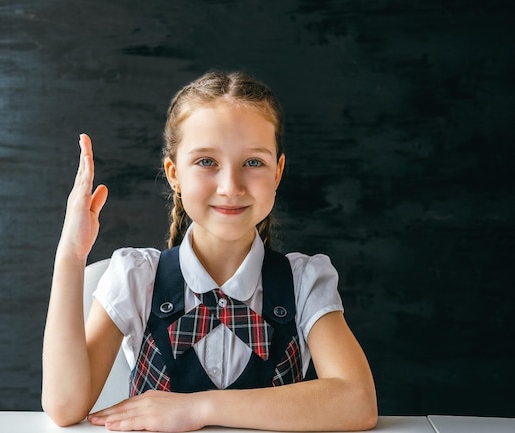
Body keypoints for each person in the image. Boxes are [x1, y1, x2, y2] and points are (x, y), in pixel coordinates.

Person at [42, 71, 377, 432]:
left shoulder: (303, 281)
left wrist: (199, 408)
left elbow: (356, 401)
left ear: (278, 172)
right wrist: (71, 256)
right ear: (174, 174)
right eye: (206, 162)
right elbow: (64, 407)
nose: (230, 186)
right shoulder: (136, 278)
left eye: (253, 162)